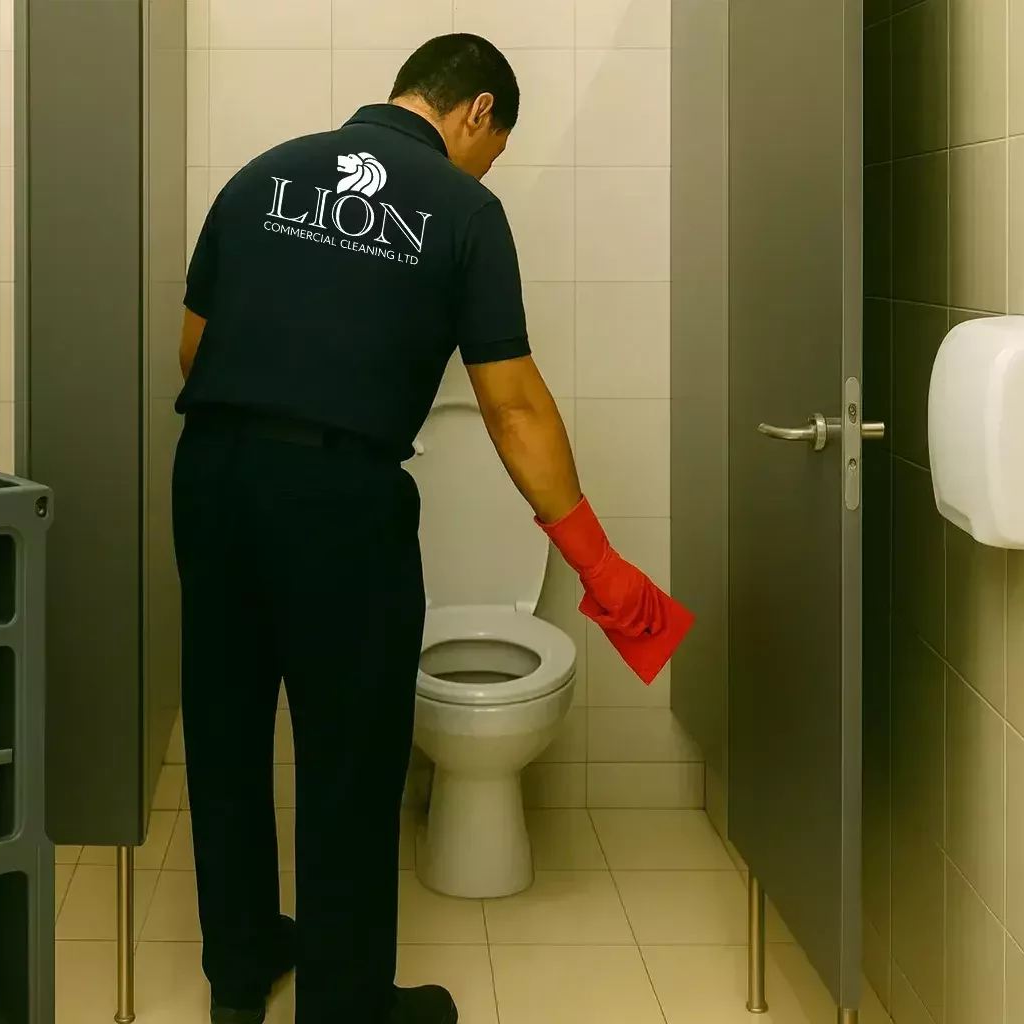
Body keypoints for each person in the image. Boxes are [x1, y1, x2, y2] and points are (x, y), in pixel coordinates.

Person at [172, 33, 689, 1024]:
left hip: (213, 476)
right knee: (352, 754)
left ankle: (239, 970)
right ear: (478, 113)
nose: (491, 163)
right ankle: (346, 1002)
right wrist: (598, 561)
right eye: (496, 144)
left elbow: (195, 346)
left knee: (227, 732)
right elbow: (512, 410)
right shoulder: (464, 210)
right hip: (343, 498)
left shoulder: (258, 177)